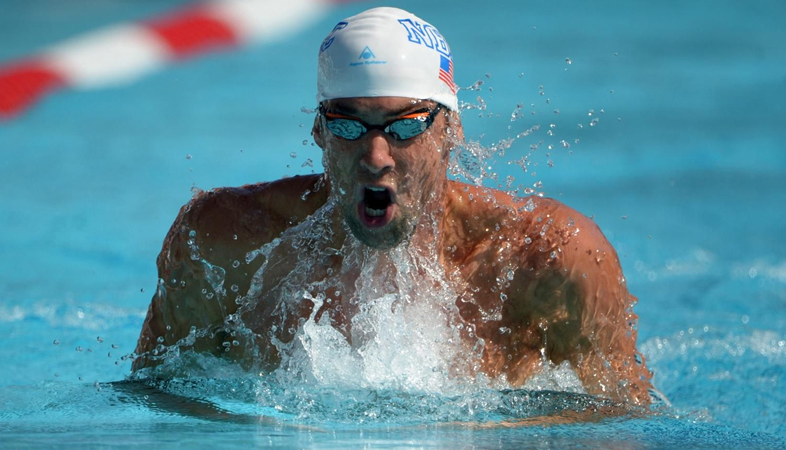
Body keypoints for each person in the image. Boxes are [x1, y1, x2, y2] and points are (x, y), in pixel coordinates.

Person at [132, 7, 654, 405]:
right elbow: (157, 403)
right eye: (348, 125)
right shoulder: (224, 241)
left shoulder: (550, 258)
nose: (376, 156)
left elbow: (620, 421)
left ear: (451, 130)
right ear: (318, 131)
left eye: (406, 126)